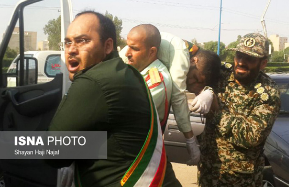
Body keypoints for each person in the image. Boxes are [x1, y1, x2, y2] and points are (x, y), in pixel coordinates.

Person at [47, 11, 166, 187]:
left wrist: (9, 146)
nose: (71, 49)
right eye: (68, 42)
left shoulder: (95, 80)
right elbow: (115, 142)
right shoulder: (126, 73)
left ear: (108, 46)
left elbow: (53, 152)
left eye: (83, 41)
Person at [198, 33, 281, 187]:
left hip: (240, 179)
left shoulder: (268, 93)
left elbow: (252, 136)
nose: (241, 63)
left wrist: (217, 114)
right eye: (239, 56)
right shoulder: (222, 74)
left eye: (249, 59)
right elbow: (197, 70)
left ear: (263, 63)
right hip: (208, 169)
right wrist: (208, 91)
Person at [120, 32, 213, 166]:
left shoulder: (156, 73)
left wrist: (209, 90)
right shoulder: (160, 78)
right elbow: (178, 96)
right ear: (194, 61)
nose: (193, 84)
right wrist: (190, 139)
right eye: (196, 78)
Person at [125, 24, 181, 187]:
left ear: (152, 52)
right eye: (128, 46)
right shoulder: (137, 71)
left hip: (138, 158)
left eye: (134, 49)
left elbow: (122, 118)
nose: (128, 53)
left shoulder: (155, 80)